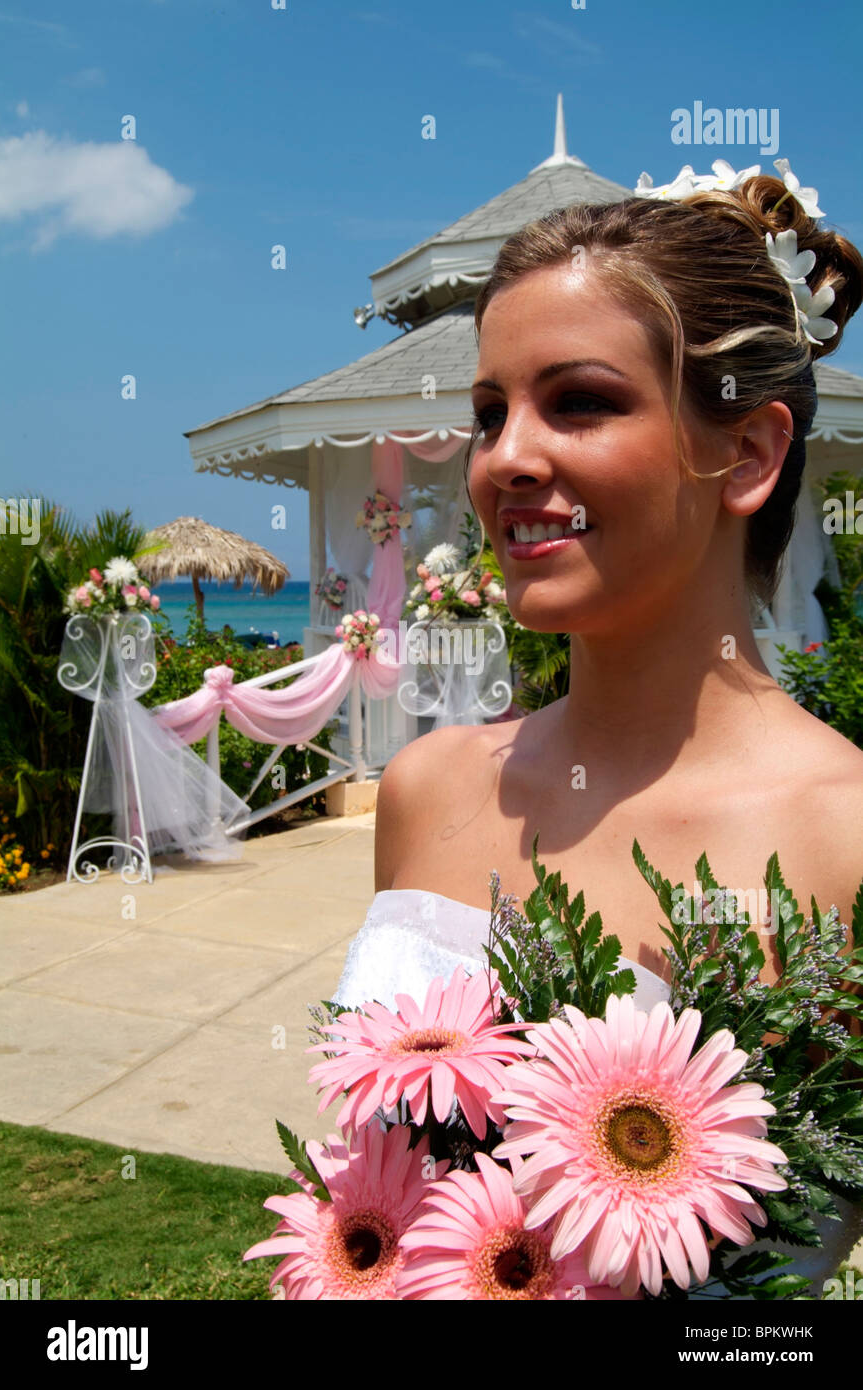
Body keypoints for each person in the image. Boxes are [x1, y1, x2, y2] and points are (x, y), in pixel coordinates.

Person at [332, 164, 863, 1289]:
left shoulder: (848, 838)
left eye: (577, 400)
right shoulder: (430, 786)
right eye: (488, 414)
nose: (504, 459)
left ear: (747, 453)